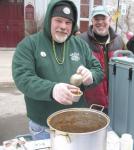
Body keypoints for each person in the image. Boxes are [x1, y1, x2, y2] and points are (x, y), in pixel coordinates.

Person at [12, 0, 103, 140]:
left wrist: (91, 76)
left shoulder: (80, 44)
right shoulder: (29, 44)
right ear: (49, 20)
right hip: (44, 127)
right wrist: (51, 89)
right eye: (58, 20)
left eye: (68, 22)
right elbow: (23, 78)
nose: (63, 26)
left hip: (77, 120)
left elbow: (98, 69)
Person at [79, 5, 125, 114]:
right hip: (90, 104)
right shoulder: (81, 40)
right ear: (92, 21)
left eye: (103, 18)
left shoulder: (119, 40)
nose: (100, 22)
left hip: (115, 101)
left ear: (109, 19)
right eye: (96, 19)